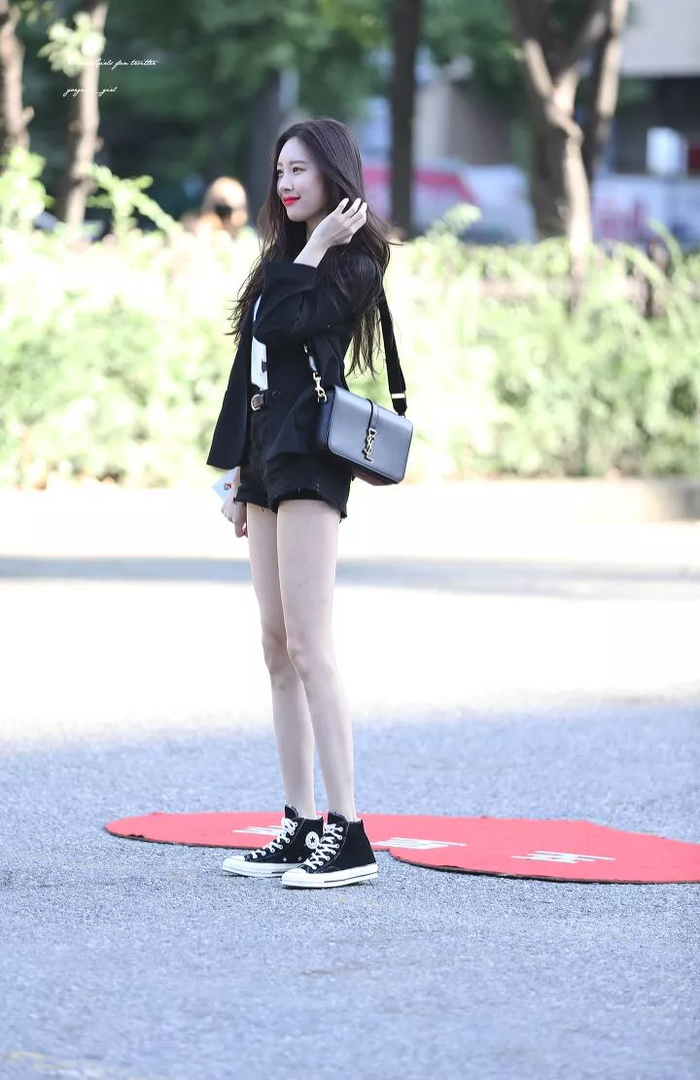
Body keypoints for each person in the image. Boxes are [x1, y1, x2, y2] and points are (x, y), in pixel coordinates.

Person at [206, 117, 399, 890]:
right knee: (275, 644)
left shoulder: (354, 262)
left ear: (333, 177)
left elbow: (290, 324)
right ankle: (300, 822)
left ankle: (349, 833)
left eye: (300, 171)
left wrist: (317, 247)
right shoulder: (282, 258)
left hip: (313, 458)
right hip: (265, 456)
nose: (285, 184)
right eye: (279, 170)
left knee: (312, 645)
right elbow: (250, 362)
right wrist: (233, 471)